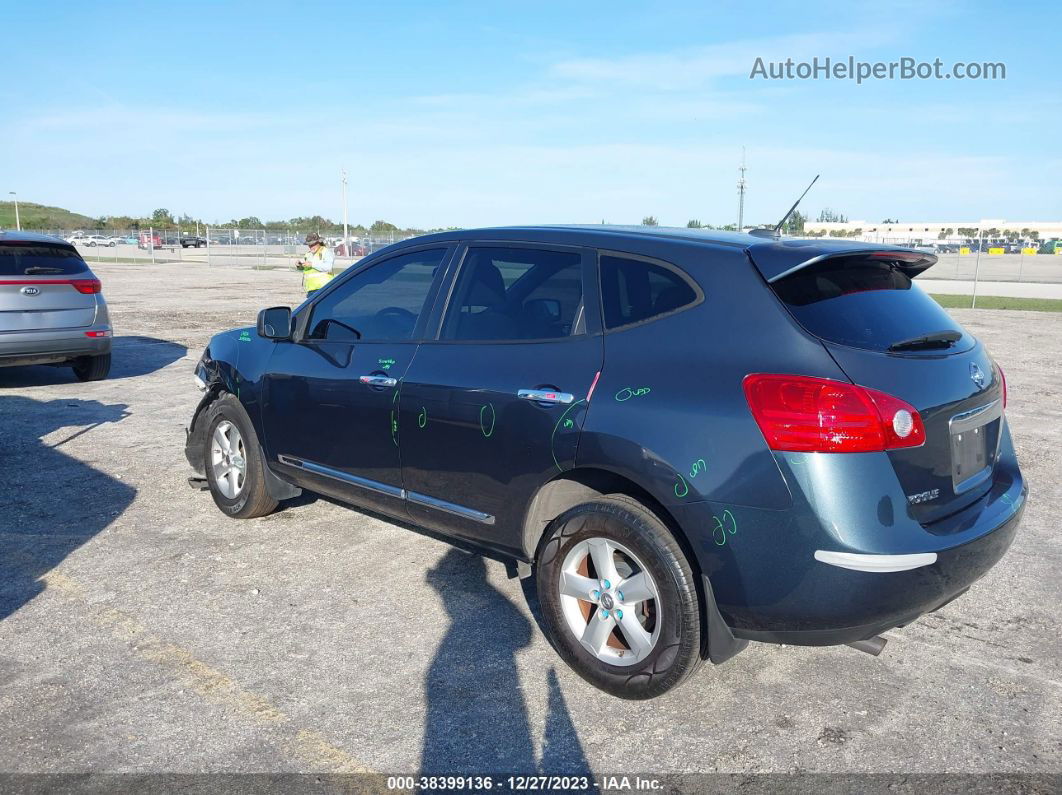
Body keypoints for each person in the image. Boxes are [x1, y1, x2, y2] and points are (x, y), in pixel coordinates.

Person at [295, 232, 335, 297]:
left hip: (324, 288)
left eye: (313, 244)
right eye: (309, 245)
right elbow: (307, 270)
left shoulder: (326, 252)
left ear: (318, 242)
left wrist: (312, 264)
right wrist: (299, 266)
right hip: (311, 290)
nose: (311, 247)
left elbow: (328, 267)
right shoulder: (308, 254)